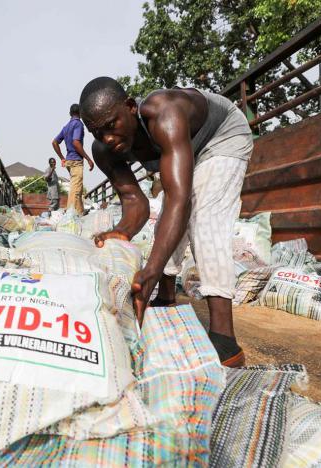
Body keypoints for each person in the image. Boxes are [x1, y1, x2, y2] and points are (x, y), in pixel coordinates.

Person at [79, 77, 253, 367]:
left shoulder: (164, 114)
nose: (107, 138)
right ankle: (166, 295)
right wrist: (119, 234)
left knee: (204, 220)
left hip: (221, 136)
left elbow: (179, 200)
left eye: (111, 125)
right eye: (97, 132)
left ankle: (226, 341)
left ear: (131, 108)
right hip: (186, 150)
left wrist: (150, 269)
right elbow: (137, 205)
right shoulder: (103, 151)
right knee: (165, 226)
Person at [52, 103, 95, 215]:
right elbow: (76, 143)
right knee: (76, 189)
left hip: (69, 161)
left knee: (77, 188)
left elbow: (55, 142)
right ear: (80, 113)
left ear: (70, 114)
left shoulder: (66, 127)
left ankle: (80, 211)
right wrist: (88, 158)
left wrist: (62, 158)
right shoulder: (78, 124)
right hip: (76, 161)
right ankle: (70, 215)